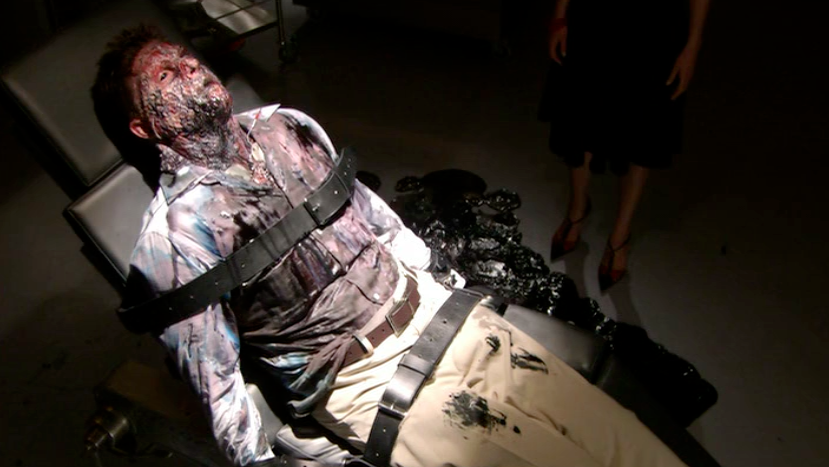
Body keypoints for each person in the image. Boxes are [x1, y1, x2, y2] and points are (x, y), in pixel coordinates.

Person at [92, 26, 689, 467]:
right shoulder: (176, 238)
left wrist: (439, 281)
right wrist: (261, 462)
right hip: (365, 380)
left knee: (628, 444)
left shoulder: (285, 126)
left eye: (186, 58)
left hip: (441, 314)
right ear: (143, 128)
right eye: (165, 77)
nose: (190, 69)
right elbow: (216, 383)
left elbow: (370, 213)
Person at [541, 0, 711, 290]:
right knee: (580, 116)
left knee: (642, 129)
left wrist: (693, 45)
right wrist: (560, 16)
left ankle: (620, 235)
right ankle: (577, 209)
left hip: (656, 27)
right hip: (595, 17)